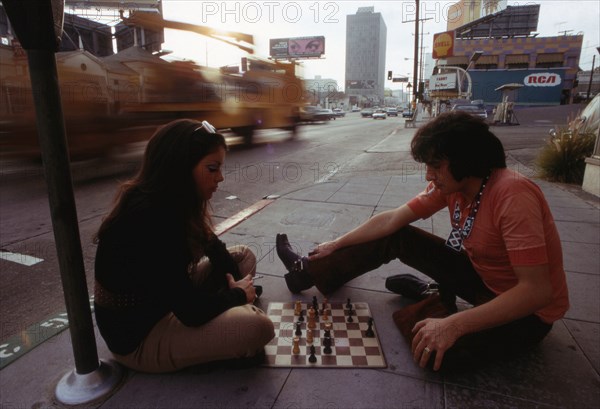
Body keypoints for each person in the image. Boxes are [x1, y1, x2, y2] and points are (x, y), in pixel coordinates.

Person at [276, 111, 569, 372]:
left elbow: (537, 291)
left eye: (436, 165)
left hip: (527, 315)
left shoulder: (513, 194)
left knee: (434, 353)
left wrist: (454, 324)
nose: (429, 175)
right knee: (396, 234)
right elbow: (393, 219)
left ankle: (432, 297)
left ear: (465, 160)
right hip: (481, 279)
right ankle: (308, 270)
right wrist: (336, 244)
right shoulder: (454, 185)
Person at [94, 119, 274, 373]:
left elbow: (215, 249)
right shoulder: (152, 217)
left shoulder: (173, 200)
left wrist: (233, 284)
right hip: (139, 338)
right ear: (180, 168)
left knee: (244, 257)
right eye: (212, 168)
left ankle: (230, 308)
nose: (220, 178)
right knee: (258, 327)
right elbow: (191, 312)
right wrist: (237, 295)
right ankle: (234, 314)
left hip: (163, 301)